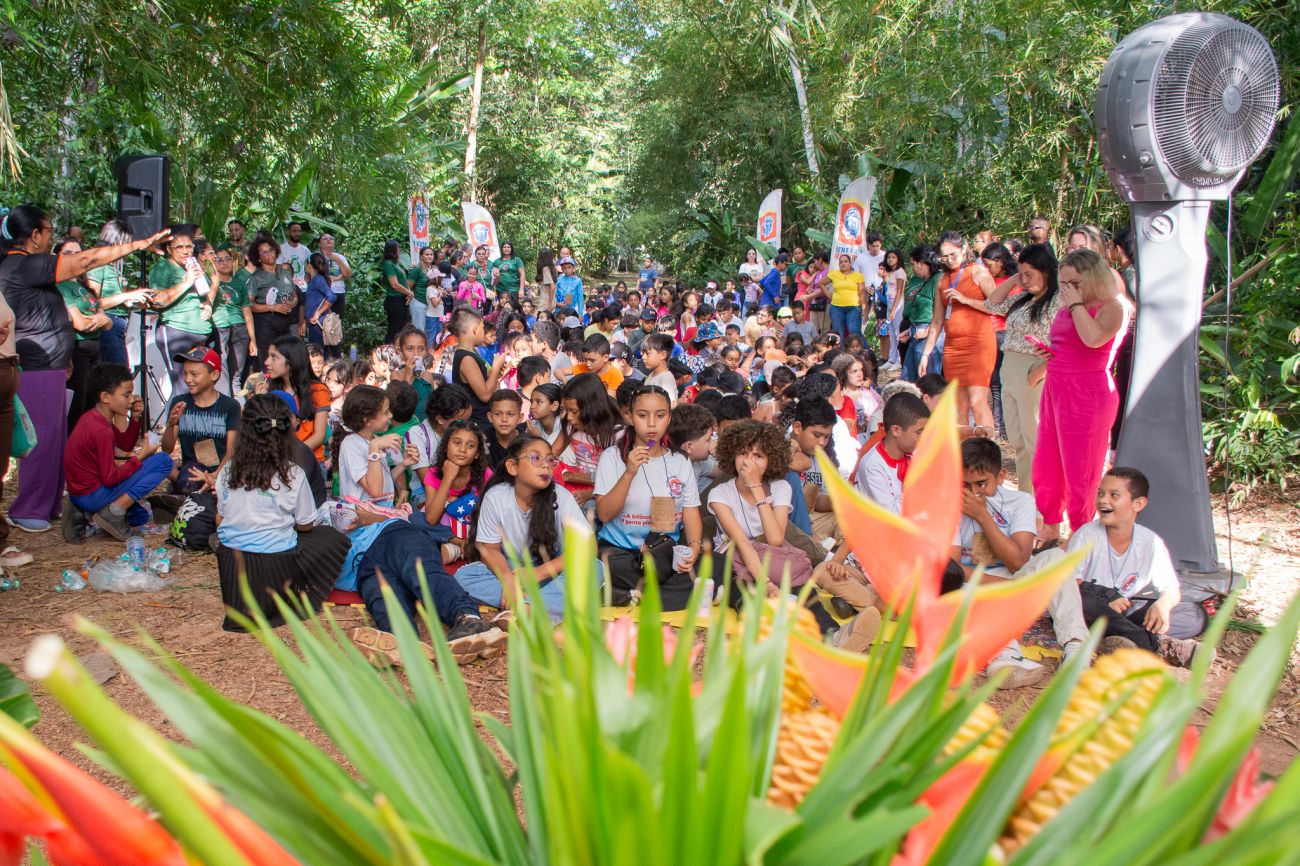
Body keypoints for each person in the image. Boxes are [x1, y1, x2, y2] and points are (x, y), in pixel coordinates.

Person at [0, 205, 167, 534]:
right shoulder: (25, 264)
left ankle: (46, 504)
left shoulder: (25, 266)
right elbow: (87, 261)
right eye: (49, 231)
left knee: (53, 437)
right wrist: (137, 245)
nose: (51, 237)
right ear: (35, 235)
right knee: (41, 439)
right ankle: (28, 508)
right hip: (37, 365)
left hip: (49, 364)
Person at [953, 438, 1090, 687]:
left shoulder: (1020, 502)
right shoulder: (951, 503)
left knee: (1056, 558)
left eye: (981, 483)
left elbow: (1018, 561)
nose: (973, 493)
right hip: (972, 584)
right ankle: (1006, 657)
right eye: (965, 485)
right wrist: (997, 585)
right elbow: (950, 567)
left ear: (1001, 477)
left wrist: (982, 516)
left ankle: (1076, 649)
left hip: (1014, 580)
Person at [214, 394, 349, 631]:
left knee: (218, 537)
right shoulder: (293, 474)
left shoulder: (227, 471)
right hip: (275, 564)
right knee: (331, 537)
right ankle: (289, 599)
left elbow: (221, 518)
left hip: (232, 565)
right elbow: (305, 525)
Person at [1034, 248, 1131, 548]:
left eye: (1074, 283)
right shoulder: (1066, 308)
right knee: (1047, 463)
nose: (1067, 290)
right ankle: (1050, 527)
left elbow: (1093, 339)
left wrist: (1076, 304)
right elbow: (1068, 344)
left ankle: (1081, 533)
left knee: (1081, 469)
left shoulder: (1112, 307)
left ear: (1093, 278)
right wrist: (1049, 354)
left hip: (1088, 392)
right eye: (1063, 283)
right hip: (1056, 387)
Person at [1069, 467, 1210, 667]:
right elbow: (1069, 583)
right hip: (1091, 610)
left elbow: (1171, 588)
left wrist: (1163, 605)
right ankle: (1159, 646)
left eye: (1114, 495)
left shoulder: (1150, 541)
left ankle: (1119, 641)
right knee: (1085, 601)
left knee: (1195, 615)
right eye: (1100, 493)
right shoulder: (1086, 535)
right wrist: (1106, 597)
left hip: (1123, 612)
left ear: (1138, 504)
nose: (1103, 500)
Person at [454, 435, 594, 621]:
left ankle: (527, 608)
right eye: (536, 458)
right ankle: (538, 603)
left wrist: (536, 574)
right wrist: (508, 579)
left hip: (553, 572)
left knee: (594, 567)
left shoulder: (562, 496)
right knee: (465, 576)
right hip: (514, 571)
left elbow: (588, 546)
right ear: (513, 467)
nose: (546, 465)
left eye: (550, 460)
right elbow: (489, 549)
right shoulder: (496, 497)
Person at [594, 386, 705, 610]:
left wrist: (694, 547)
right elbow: (604, 514)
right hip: (621, 552)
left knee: (712, 564)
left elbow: (690, 511)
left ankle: (630, 594)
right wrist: (629, 473)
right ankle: (672, 594)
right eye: (643, 415)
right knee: (609, 565)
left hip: (664, 553)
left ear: (669, 418)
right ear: (630, 417)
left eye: (660, 415)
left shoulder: (680, 461)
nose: (652, 424)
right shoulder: (612, 457)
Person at [62, 363, 173, 541]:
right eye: (126, 395)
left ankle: (82, 513)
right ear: (105, 397)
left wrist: (135, 419)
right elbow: (110, 478)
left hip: (80, 494)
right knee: (163, 461)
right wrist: (141, 456)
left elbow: (124, 445)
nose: (131, 400)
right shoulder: (101, 430)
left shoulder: (93, 417)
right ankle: (112, 512)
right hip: (92, 494)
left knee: (139, 517)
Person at [984, 243, 1061, 495]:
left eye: (1030, 274)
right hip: (1011, 369)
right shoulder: (1024, 298)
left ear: (1046, 270)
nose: (1025, 280)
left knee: (1034, 441)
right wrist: (1014, 279)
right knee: (1018, 441)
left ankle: (1041, 502)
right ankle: (1027, 498)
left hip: (1033, 371)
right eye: (1022, 274)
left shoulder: (1058, 299)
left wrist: (1038, 373)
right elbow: (991, 304)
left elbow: (1067, 342)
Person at [917, 231, 998, 431]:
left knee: (977, 401)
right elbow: (937, 321)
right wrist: (926, 354)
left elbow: (998, 306)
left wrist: (966, 300)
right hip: (953, 347)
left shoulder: (978, 272)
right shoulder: (942, 280)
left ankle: (988, 445)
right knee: (959, 406)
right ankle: (965, 447)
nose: (949, 260)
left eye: (953, 254)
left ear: (963, 249)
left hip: (978, 344)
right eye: (944, 256)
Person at [706, 419, 798, 590]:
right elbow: (741, 542)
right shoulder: (720, 494)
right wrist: (766, 584)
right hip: (735, 565)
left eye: (758, 456)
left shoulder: (781, 487)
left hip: (770, 560)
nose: (749, 461)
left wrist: (756, 486)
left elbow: (775, 540)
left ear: (771, 460)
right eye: (743, 453)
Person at [160, 348, 241, 495]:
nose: (187, 379)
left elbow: (232, 451)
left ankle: (187, 487)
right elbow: (166, 449)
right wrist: (171, 425)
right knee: (157, 461)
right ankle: (189, 486)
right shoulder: (180, 402)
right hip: (192, 470)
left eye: (194, 374)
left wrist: (215, 476)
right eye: (185, 373)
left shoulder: (230, 406)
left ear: (214, 375)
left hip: (221, 470)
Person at [149, 227, 214, 395]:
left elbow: (206, 292)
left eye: (189, 247)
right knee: (182, 389)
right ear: (169, 249)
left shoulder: (193, 265)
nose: (185, 251)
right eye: (179, 247)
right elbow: (157, 300)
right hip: (176, 332)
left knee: (199, 389)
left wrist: (208, 303)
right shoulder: (162, 268)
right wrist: (187, 282)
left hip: (201, 335)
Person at [55, 237, 111, 430]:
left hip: (95, 349)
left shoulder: (84, 286)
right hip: (76, 350)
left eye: (78, 253)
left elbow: (107, 322)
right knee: (76, 404)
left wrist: (100, 320)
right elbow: (80, 324)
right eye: (67, 253)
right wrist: (100, 320)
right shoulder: (60, 285)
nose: (74, 257)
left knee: (92, 403)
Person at [332, 384, 419, 506]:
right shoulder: (351, 445)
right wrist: (374, 447)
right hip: (362, 515)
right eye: (386, 412)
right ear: (367, 420)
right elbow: (375, 491)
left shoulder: (375, 439)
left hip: (382, 512)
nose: (391, 415)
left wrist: (403, 464)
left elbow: (383, 481)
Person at [422, 418, 492, 564]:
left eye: (471, 446)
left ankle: (460, 547)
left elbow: (491, 515)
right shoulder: (434, 473)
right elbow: (431, 519)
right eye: (457, 443)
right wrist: (447, 478)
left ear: (477, 454)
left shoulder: (485, 474)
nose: (462, 450)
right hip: (446, 527)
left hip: (473, 527)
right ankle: (458, 543)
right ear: (446, 447)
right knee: (415, 519)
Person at [84, 220, 151, 367]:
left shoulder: (114, 267)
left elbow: (118, 301)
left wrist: (135, 302)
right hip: (108, 325)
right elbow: (92, 303)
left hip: (118, 326)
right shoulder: (98, 266)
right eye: (126, 244)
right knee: (118, 373)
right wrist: (127, 296)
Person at [554, 372, 621, 509]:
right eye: (566, 410)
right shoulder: (571, 428)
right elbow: (550, 454)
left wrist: (590, 494)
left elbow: (621, 478)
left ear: (592, 408)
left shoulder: (617, 435)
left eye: (574, 411)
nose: (569, 417)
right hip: (580, 491)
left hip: (607, 499)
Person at [854, 392, 928, 513]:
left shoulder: (915, 452)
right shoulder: (873, 465)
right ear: (896, 430)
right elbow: (892, 516)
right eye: (919, 433)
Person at [264, 336, 331, 462]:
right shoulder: (270, 390)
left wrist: (290, 456)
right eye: (268, 356)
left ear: (291, 361)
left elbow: (319, 436)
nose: (267, 362)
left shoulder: (318, 390)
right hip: (276, 459)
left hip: (309, 459)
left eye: (274, 357)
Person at [447, 306, 513, 430]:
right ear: (474, 329)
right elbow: (485, 395)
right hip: (478, 422)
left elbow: (488, 383)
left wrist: (497, 372)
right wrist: (495, 367)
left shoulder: (473, 352)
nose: (483, 331)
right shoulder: (466, 358)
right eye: (482, 328)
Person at [980, 242, 1019, 439]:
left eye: (989, 265)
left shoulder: (1014, 282)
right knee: (994, 383)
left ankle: (1004, 425)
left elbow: (1005, 308)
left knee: (1004, 383)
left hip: (1003, 334)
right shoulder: (989, 281)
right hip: (988, 334)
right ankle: (997, 425)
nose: (986, 269)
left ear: (1000, 261)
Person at [210, 244, 255, 393]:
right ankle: (223, 400)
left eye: (228, 259)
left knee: (236, 375)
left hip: (240, 329)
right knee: (220, 371)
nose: (225, 263)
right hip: (219, 329)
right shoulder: (210, 282)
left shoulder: (239, 283)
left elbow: (247, 313)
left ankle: (237, 403)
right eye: (219, 260)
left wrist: (253, 339)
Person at [1109, 226, 1138, 452]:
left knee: (1124, 386)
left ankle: (1119, 445)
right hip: (1129, 336)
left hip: (1131, 337)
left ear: (1118, 249)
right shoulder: (1132, 271)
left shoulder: (1130, 273)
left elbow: (1138, 303)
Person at [246, 236, 298, 363]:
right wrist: (273, 307)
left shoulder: (284, 272)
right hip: (265, 323)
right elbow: (249, 305)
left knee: (286, 358)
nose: (269, 254)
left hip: (285, 321)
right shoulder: (256, 278)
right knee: (268, 359)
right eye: (264, 252)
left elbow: (295, 296)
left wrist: (292, 303)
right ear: (258, 257)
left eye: (271, 250)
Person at [901, 245, 941, 382]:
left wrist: (928, 331)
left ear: (922, 263)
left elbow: (942, 312)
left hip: (927, 335)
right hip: (916, 331)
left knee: (926, 380)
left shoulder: (939, 279)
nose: (912, 268)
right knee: (908, 378)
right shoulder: (926, 280)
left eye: (913, 264)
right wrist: (909, 330)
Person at [827, 253, 867, 341]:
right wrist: (828, 295)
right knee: (838, 333)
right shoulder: (833, 274)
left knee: (854, 332)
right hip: (836, 308)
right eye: (841, 262)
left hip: (853, 308)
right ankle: (840, 350)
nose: (843, 263)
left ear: (850, 263)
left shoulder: (858, 276)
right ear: (838, 264)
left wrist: (864, 307)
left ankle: (864, 350)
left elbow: (862, 292)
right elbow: (821, 283)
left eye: (845, 261)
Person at [380, 239, 413, 342]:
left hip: (402, 299)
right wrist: (409, 292)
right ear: (393, 250)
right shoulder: (388, 264)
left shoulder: (396, 264)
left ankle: (399, 348)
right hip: (394, 300)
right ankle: (388, 348)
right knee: (394, 328)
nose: (399, 250)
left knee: (403, 328)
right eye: (398, 248)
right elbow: (394, 284)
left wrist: (409, 294)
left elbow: (403, 281)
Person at [277, 221, 312, 315]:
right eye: (294, 231)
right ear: (288, 232)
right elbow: (277, 268)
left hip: (303, 288)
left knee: (302, 316)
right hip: (288, 289)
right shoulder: (281, 249)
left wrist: (308, 277)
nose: (297, 233)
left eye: (299, 231)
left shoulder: (305, 250)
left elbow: (312, 265)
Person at [880, 249, 907, 370]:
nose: (890, 259)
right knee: (891, 332)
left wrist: (894, 310)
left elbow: (899, 292)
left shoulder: (900, 272)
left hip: (898, 304)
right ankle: (891, 359)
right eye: (888, 257)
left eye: (893, 257)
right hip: (889, 302)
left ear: (898, 259)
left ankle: (899, 360)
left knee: (897, 332)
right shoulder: (890, 272)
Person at [484, 389, 524, 471]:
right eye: (498, 414)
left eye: (510, 414)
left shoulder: (528, 442)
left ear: (520, 418)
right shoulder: (483, 440)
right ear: (490, 417)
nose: (504, 419)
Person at [304, 252, 336, 350]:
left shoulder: (317, 279)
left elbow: (332, 296)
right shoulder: (315, 279)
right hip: (315, 322)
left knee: (318, 350)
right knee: (320, 350)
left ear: (310, 265)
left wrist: (318, 313)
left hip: (317, 323)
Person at [318, 233, 351, 321]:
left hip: (339, 292)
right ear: (320, 244)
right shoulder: (315, 257)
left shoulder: (340, 257)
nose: (329, 240)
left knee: (337, 323)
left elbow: (348, 274)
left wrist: (336, 259)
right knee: (322, 322)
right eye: (325, 238)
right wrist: (340, 277)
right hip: (322, 293)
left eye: (331, 238)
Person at [490, 241, 527, 306]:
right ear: (501, 249)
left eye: (508, 247)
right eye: (504, 247)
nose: (506, 248)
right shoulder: (496, 261)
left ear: (511, 249)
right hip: (500, 290)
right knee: (502, 308)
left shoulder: (517, 260)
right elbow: (493, 278)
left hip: (514, 289)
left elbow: (522, 274)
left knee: (513, 308)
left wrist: (521, 289)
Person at [535, 246, 557, 311]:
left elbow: (552, 287)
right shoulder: (551, 269)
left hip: (545, 303)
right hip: (549, 302)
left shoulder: (545, 269)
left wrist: (549, 303)